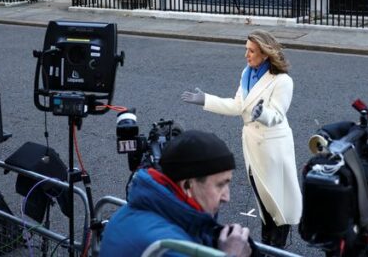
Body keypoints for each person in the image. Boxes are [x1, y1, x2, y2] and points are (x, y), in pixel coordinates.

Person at [181, 30, 302, 248]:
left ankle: (277, 245)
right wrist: (205, 99)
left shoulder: (282, 81)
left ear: (265, 54)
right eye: (246, 49)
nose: (246, 54)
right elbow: (238, 106)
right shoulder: (247, 73)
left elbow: (276, 115)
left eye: (251, 51)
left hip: (273, 148)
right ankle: (268, 242)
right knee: (263, 199)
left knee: (278, 201)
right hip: (253, 147)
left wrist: (261, 114)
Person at [100, 130, 252, 257]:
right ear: (187, 185)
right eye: (220, 185)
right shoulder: (169, 248)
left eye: (228, 183)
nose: (227, 197)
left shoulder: (135, 211)